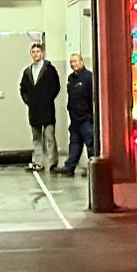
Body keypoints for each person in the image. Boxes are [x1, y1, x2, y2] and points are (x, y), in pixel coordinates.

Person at [19, 41, 60, 171]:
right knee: (36, 138)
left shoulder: (49, 70)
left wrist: (47, 99)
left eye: (38, 51)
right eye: (33, 52)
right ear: (31, 54)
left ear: (41, 53)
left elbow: (56, 87)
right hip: (34, 110)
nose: (36, 54)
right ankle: (38, 162)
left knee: (49, 137)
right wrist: (28, 101)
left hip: (47, 109)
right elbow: (22, 88)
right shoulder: (27, 72)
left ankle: (52, 162)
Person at [57, 51, 96, 177]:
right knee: (74, 143)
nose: (73, 64)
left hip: (86, 118)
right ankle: (69, 167)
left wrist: (92, 116)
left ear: (81, 62)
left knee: (90, 144)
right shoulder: (71, 79)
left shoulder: (89, 77)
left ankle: (93, 167)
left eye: (75, 61)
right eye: (71, 62)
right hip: (74, 119)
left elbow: (93, 98)